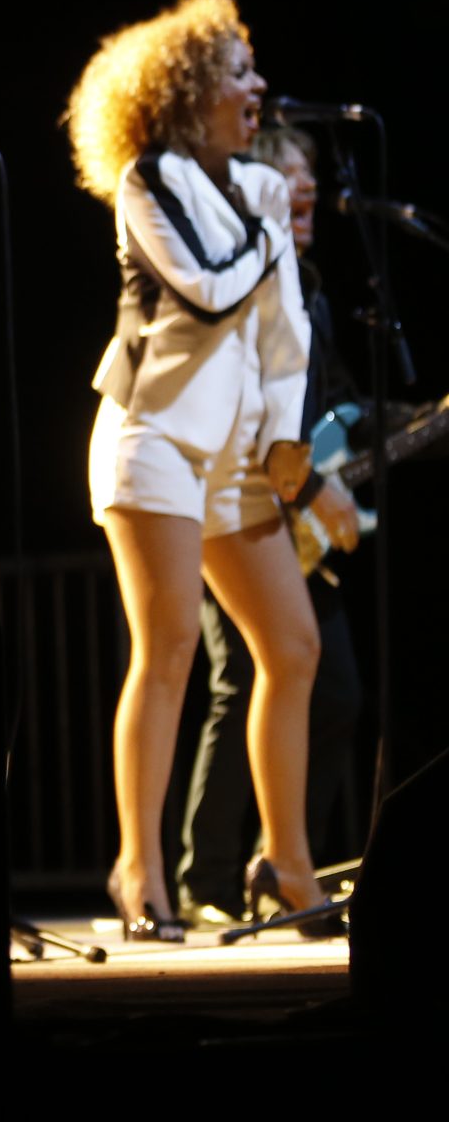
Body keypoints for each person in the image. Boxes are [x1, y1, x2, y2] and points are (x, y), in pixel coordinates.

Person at [65, 0, 330, 940]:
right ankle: (139, 870)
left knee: (293, 647)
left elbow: (286, 332)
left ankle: (286, 862)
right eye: (238, 72)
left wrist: (287, 441)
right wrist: (268, 237)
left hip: (236, 452)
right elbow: (210, 291)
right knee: (171, 646)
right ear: (186, 90)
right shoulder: (149, 179)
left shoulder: (259, 188)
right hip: (156, 437)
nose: (258, 87)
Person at [176, 123, 365, 922]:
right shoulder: (241, 270)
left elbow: (333, 402)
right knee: (240, 678)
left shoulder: (309, 287)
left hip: (287, 499)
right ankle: (204, 877)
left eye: (309, 172)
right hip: (234, 488)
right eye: (288, 172)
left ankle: (283, 860)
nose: (306, 185)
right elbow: (242, 392)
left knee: (327, 683)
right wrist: (309, 483)